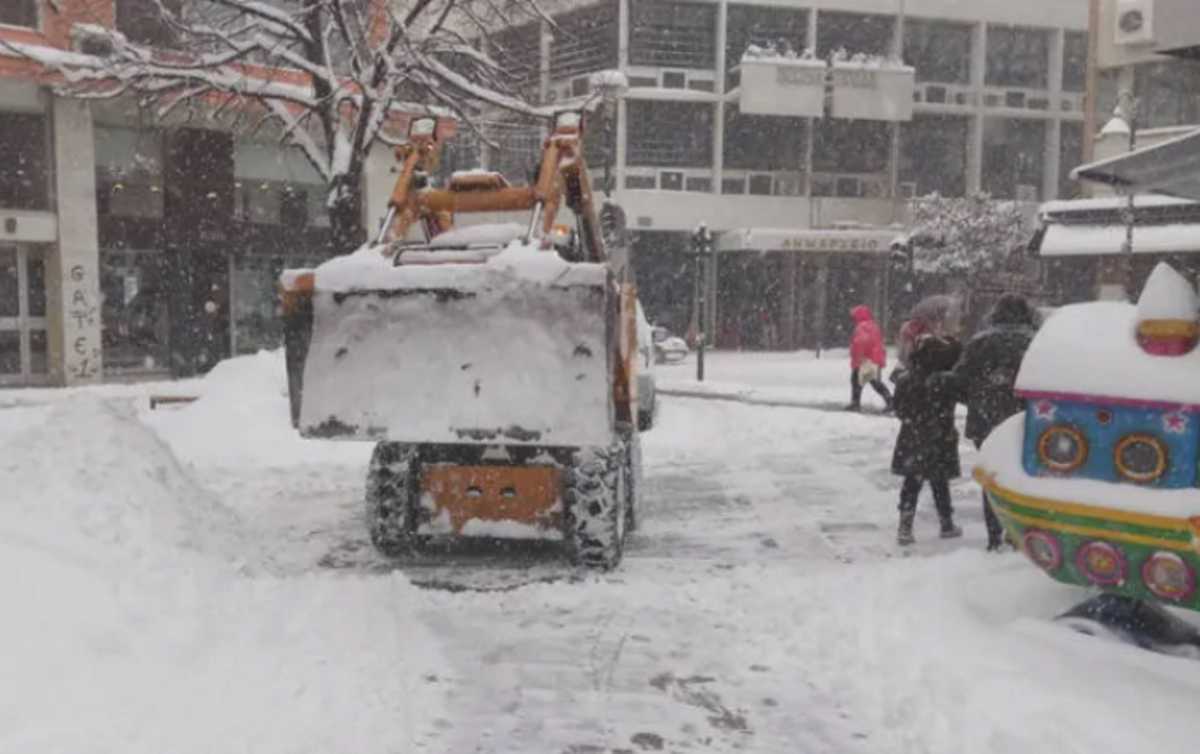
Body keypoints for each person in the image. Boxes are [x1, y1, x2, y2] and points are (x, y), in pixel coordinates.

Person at [945, 293, 1039, 551]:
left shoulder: (979, 342)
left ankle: (994, 535)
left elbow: (959, 380)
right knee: (1021, 476)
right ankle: (1017, 533)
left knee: (992, 477)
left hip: (985, 420)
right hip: (1024, 420)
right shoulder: (1034, 342)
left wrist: (977, 400)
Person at [891, 334, 964, 546]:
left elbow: (899, 409)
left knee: (911, 482)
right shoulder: (946, 381)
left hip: (912, 436)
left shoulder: (906, 379)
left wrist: (913, 421)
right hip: (941, 436)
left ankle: (905, 526)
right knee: (940, 482)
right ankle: (946, 523)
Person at [847, 305, 892, 412]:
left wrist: (857, 357)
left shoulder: (862, 326)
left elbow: (860, 343)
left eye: (854, 316)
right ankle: (889, 400)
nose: (853, 319)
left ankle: (856, 403)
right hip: (872, 358)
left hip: (865, 359)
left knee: (861, 381)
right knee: (867, 381)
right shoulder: (873, 326)